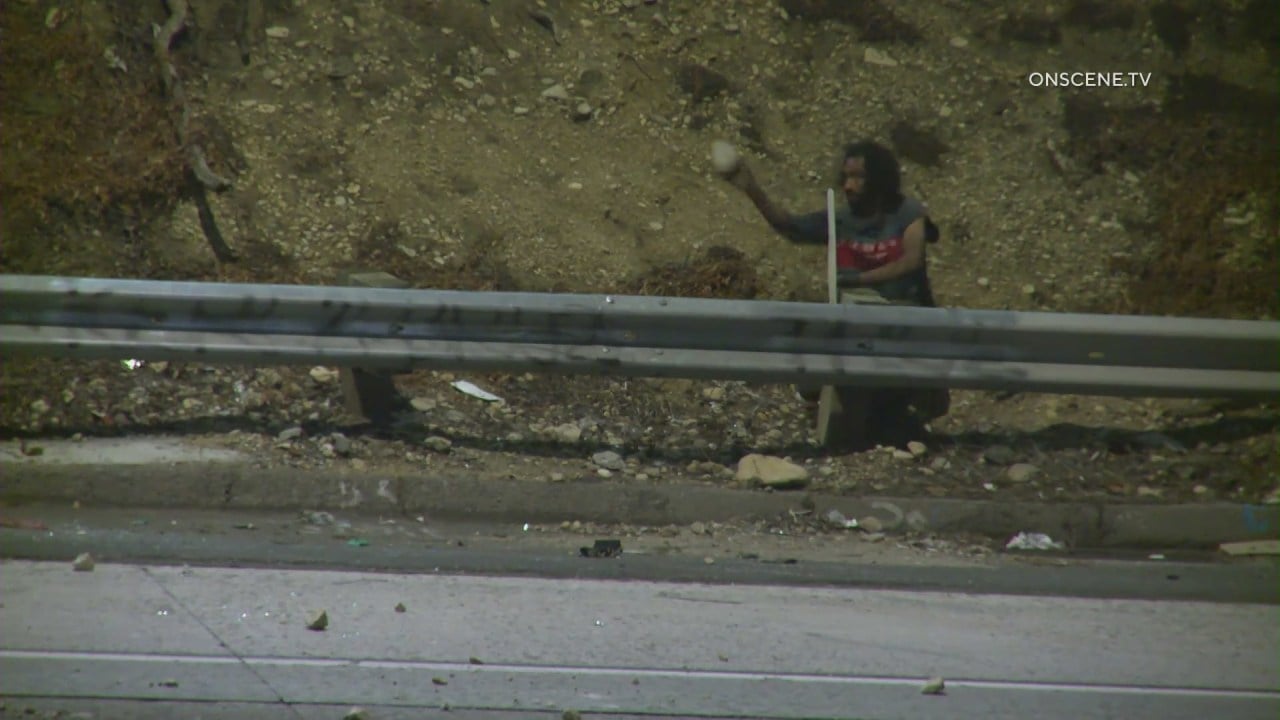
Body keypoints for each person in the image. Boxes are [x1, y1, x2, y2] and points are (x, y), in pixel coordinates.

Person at [718, 139, 949, 445]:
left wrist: (860, 279)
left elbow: (911, 259)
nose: (849, 186)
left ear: (879, 180)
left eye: (859, 178)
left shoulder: (907, 213)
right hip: (857, 335)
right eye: (846, 177)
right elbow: (789, 226)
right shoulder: (839, 220)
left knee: (904, 414)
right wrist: (752, 189)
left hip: (905, 330)